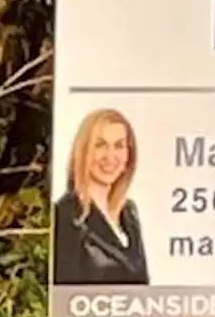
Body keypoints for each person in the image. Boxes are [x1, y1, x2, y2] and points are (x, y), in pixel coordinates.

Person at [52, 108, 150, 285]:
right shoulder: (66, 215)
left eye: (119, 146)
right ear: (83, 151)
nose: (110, 156)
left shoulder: (128, 213)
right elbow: (65, 298)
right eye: (100, 145)